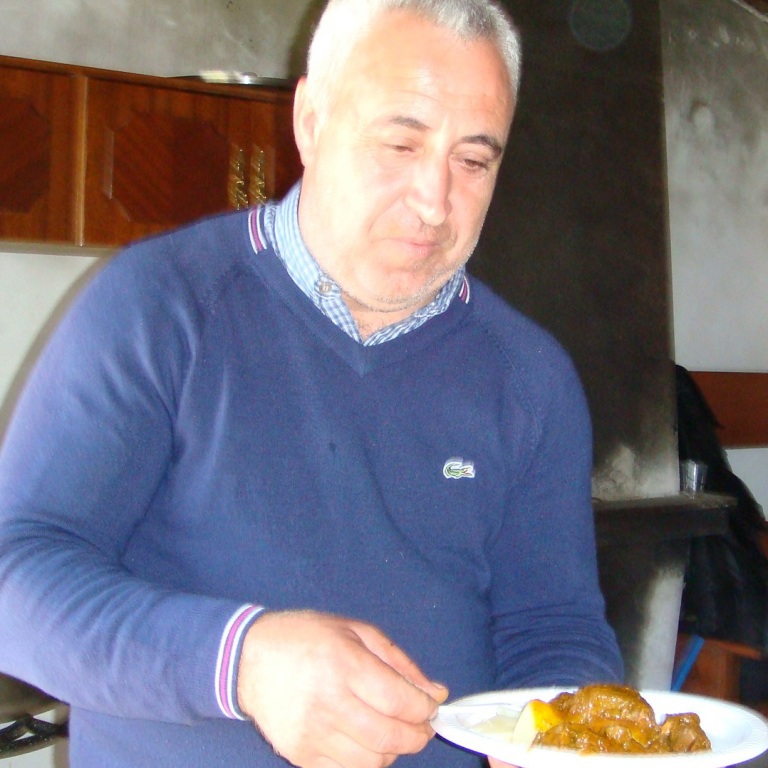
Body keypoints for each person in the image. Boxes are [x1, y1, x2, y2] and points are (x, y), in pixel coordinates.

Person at [0, 0, 624, 766]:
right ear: (310, 122)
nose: (434, 201)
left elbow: (555, 626)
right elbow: (15, 575)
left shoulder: (532, 377)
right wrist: (242, 661)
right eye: (400, 143)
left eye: (473, 160)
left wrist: (565, 732)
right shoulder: (156, 307)